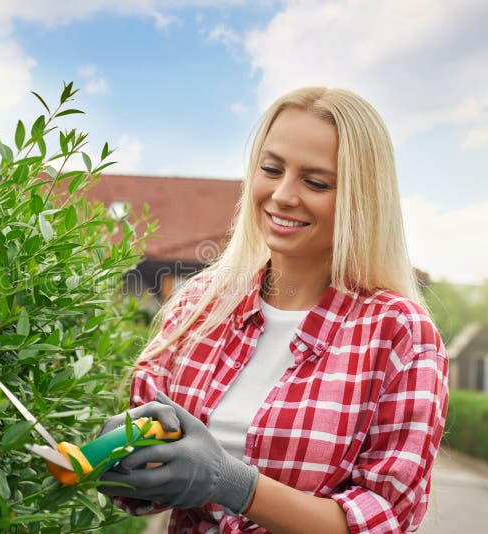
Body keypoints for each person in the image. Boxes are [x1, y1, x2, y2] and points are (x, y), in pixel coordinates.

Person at [97, 87, 449, 533]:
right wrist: (124, 458)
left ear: (363, 199)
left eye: (315, 181)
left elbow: (385, 520)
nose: (282, 195)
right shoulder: (198, 303)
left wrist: (233, 484)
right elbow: (142, 499)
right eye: (271, 169)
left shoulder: (399, 333)